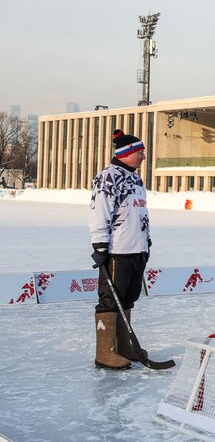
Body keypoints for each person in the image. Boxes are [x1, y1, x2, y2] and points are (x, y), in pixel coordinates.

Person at [89, 130, 151, 369]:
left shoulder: (135, 178)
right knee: (110, 300)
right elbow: (99, 211)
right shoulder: (108, 176)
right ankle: (105, 352)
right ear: (127, 153)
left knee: (128, 298)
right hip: (117, 250)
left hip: (137, 249)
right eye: (140, 152)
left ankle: (124, 346)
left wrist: (147, 242)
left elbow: (138, 213)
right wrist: (100, 243)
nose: (144, 156)